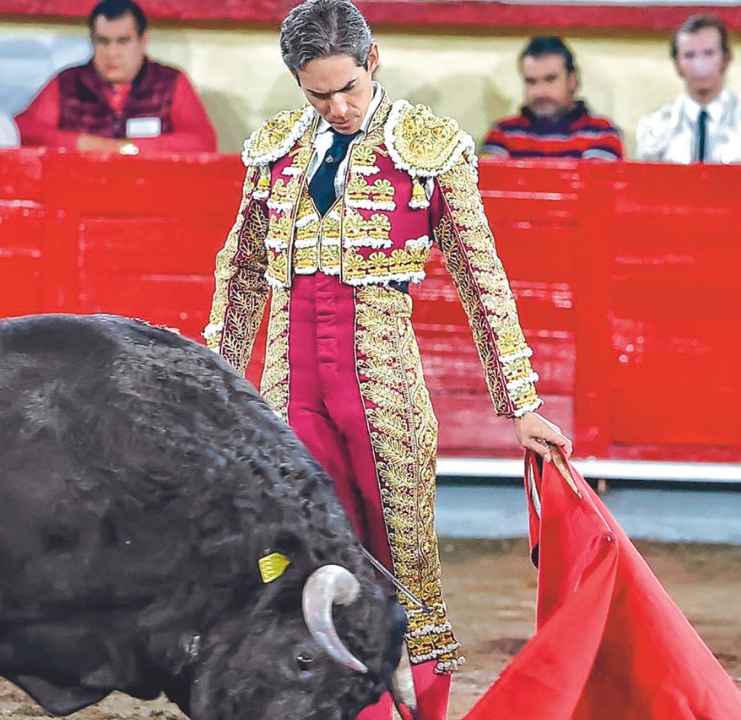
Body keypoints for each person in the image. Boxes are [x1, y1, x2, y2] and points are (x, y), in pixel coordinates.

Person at [203, 2, 572, 718]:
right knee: (295, 564)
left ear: (374, 62)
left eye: (350, 87)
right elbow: (242, 274)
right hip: (288, 396)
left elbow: (480, 277)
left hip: (383, 393)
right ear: (297, 84)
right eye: (319, 94)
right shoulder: (273, 153)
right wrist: (216, 389)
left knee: (405, 568)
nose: (339, 107)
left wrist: (520, 404)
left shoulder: (431, 147)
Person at [16, 0, 216, 154]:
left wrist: (129, 148)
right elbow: (25, 131)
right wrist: (85, 143)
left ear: (143, 40)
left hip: (154, 195)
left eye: (122, 41)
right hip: (81, 191)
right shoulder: (67, 82)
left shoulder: (170, 82)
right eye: (103, 41)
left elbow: (202, 141)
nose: (112, 53)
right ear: (92, 41)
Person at [636, 13, 741, 164]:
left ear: (726, 59)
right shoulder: (654, 127)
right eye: (689, 56)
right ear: (677, 64)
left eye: (709, 53)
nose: (699, 66)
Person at [481, 36, 623, 161]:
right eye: (531, 81)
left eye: (550, 79)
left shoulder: (601, 133)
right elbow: (489, 187)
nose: (539, 92)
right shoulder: (503, 133)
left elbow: (594, 188)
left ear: (572, 80)